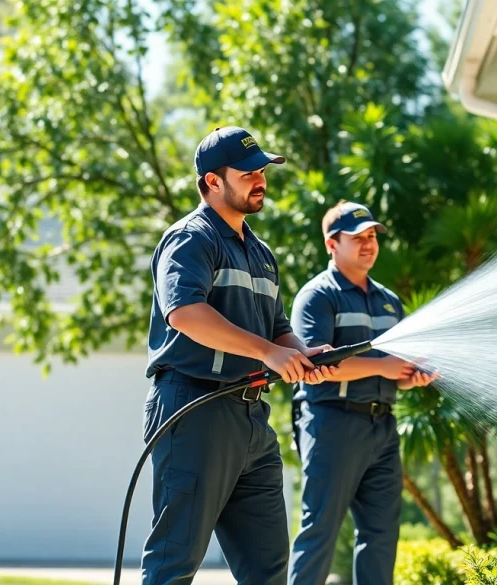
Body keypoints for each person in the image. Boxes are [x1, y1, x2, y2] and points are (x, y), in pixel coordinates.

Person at [142, 126, 338, 585]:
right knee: (174, 564)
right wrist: (268, 352)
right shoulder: (191, 239)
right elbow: (185, 313)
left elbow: (277, 330)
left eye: (263, 170)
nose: (260, 178)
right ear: (213, 181)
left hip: (251, 420)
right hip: (192, 410)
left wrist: (305, 356)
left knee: (268, 569)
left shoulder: (261, 253)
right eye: (248, 171)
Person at [287, 201, 437, 585]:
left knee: (381, 535)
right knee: (319, 529)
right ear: (331, 244)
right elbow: (313, 366)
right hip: (331, 423)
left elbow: (394, 370)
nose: (368, 244)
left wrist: (409, 376)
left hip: (382, 426)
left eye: (372, 236)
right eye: (358, 238)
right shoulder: (317, 297)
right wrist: (382, 366)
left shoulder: (389, 301)